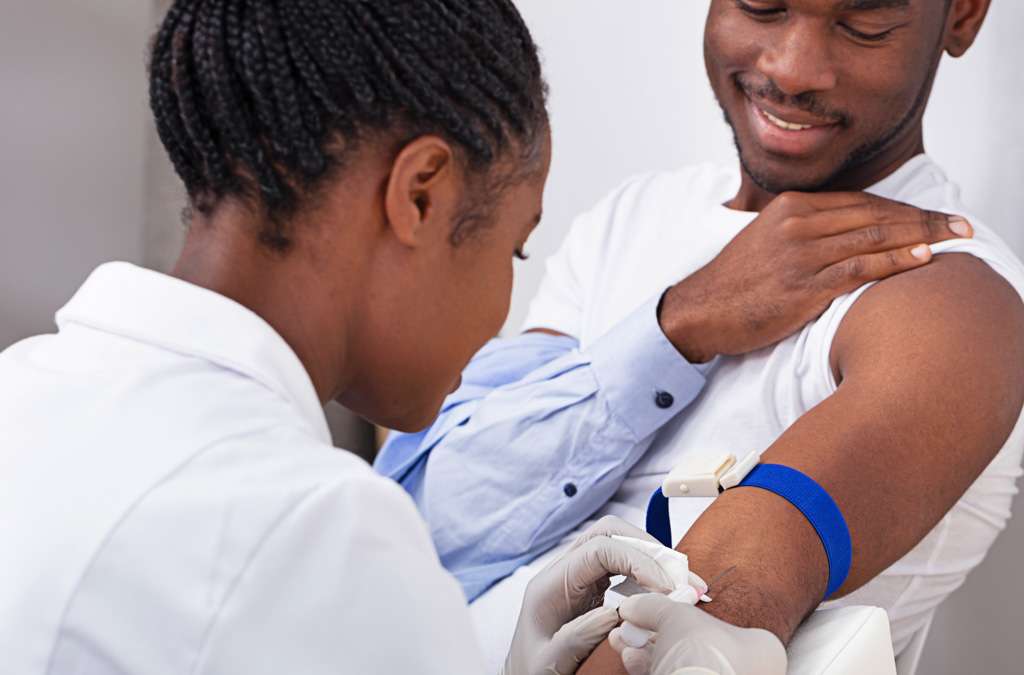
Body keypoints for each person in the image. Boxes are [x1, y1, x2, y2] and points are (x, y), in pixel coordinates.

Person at [0, 1, 790, 673]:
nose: (502, 310)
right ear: (420, 194)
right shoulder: (316, 529)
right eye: (514, 248)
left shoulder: (26, 390)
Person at [374, 0, 1024, 672]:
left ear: (961, 16)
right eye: (761, 5)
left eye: (861, 25)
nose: (792, 69)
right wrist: (681, 322)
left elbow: (718, 600)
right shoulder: (628, 219)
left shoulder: (950, 299)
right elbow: (418, 522)